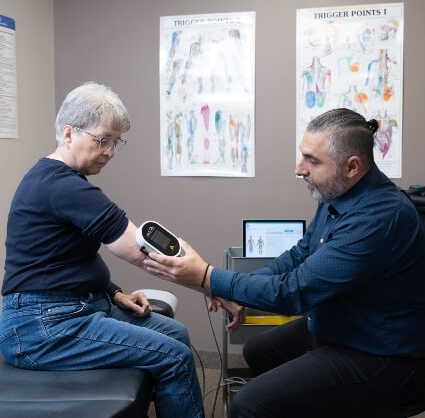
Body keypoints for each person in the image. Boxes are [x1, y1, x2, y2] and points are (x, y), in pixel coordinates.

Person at [144, 108, 425, 418]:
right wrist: (235, 292)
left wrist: (208, 276)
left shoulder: (379, 219)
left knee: (248, 405)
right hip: (341, 325)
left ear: (352, 166)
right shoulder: (339, 194)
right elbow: (300, 254)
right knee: (257, 351)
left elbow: (292, 293)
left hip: (383, 355)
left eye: (312, 160)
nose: (299, 168)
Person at [0, 82, 204, 418]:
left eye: (115, 142)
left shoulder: (58, 181)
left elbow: (60, 256)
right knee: (175, 356)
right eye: (102, 140)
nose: (110, 151)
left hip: (75, 308)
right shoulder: (61, 185)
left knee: (176, 334)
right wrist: (211, 284)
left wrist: (112, 292)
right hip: (41, 327)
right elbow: (141, 251)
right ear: (68, 134)